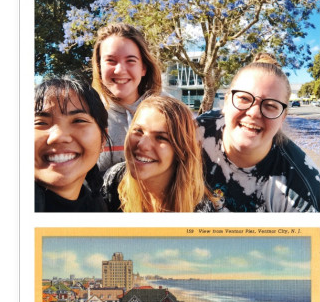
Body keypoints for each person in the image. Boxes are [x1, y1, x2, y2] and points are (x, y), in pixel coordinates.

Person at [197, 53, 320, 212]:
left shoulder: (302, 190)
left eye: (270, 105)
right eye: (244, 99)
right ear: (226, 102)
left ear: (283, 117)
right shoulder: (193, 133)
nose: (254, 113)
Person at [102, 96, 214, 212]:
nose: (142, 145)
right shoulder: (113, 180)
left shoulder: (199, 209)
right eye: (138, 131)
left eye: (161, 138)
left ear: (181, 150)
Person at [92, 22, 162, 173]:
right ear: (99, 67)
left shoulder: (167, 113)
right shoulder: (87, 116)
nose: (120, 70)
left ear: (143, 68)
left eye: (130, 60)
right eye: (110, 60)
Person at [35, 75, 110, 212]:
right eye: (41, 123)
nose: (58, 137)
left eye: (78, 121)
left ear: (103, 139)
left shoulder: (98, 207)